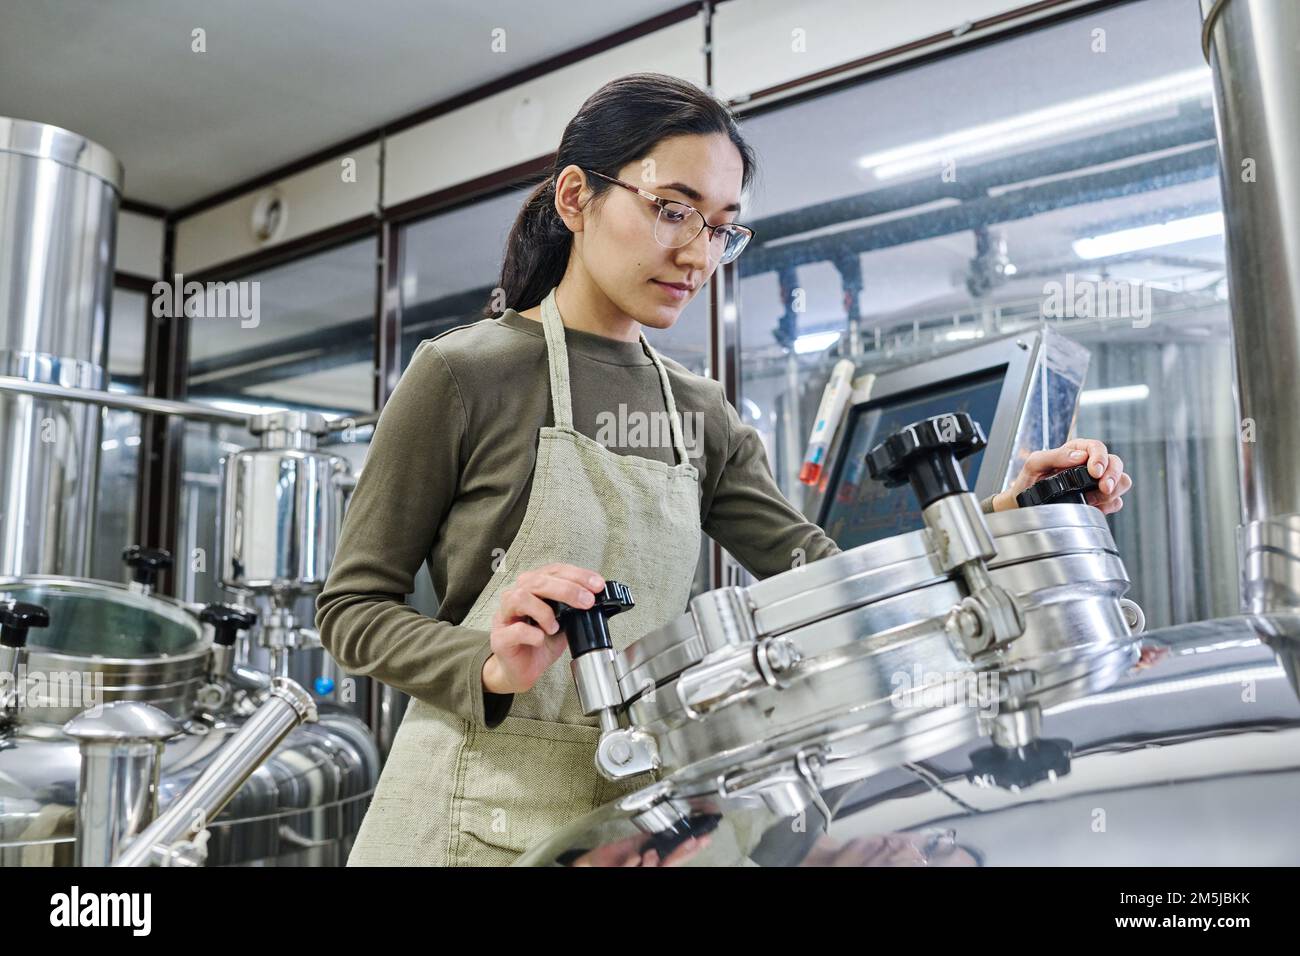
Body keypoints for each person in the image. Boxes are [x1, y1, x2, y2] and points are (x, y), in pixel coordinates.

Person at [315, 72, 1132, 867]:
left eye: (721, 227)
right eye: (673, 210)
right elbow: (351, 608)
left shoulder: (697, 411)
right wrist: (488, 664)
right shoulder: (464, 374)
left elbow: (826, 576)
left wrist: (1005, 519)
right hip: (464, 821)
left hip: (632, 825)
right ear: (576, 199)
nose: (698, 254)